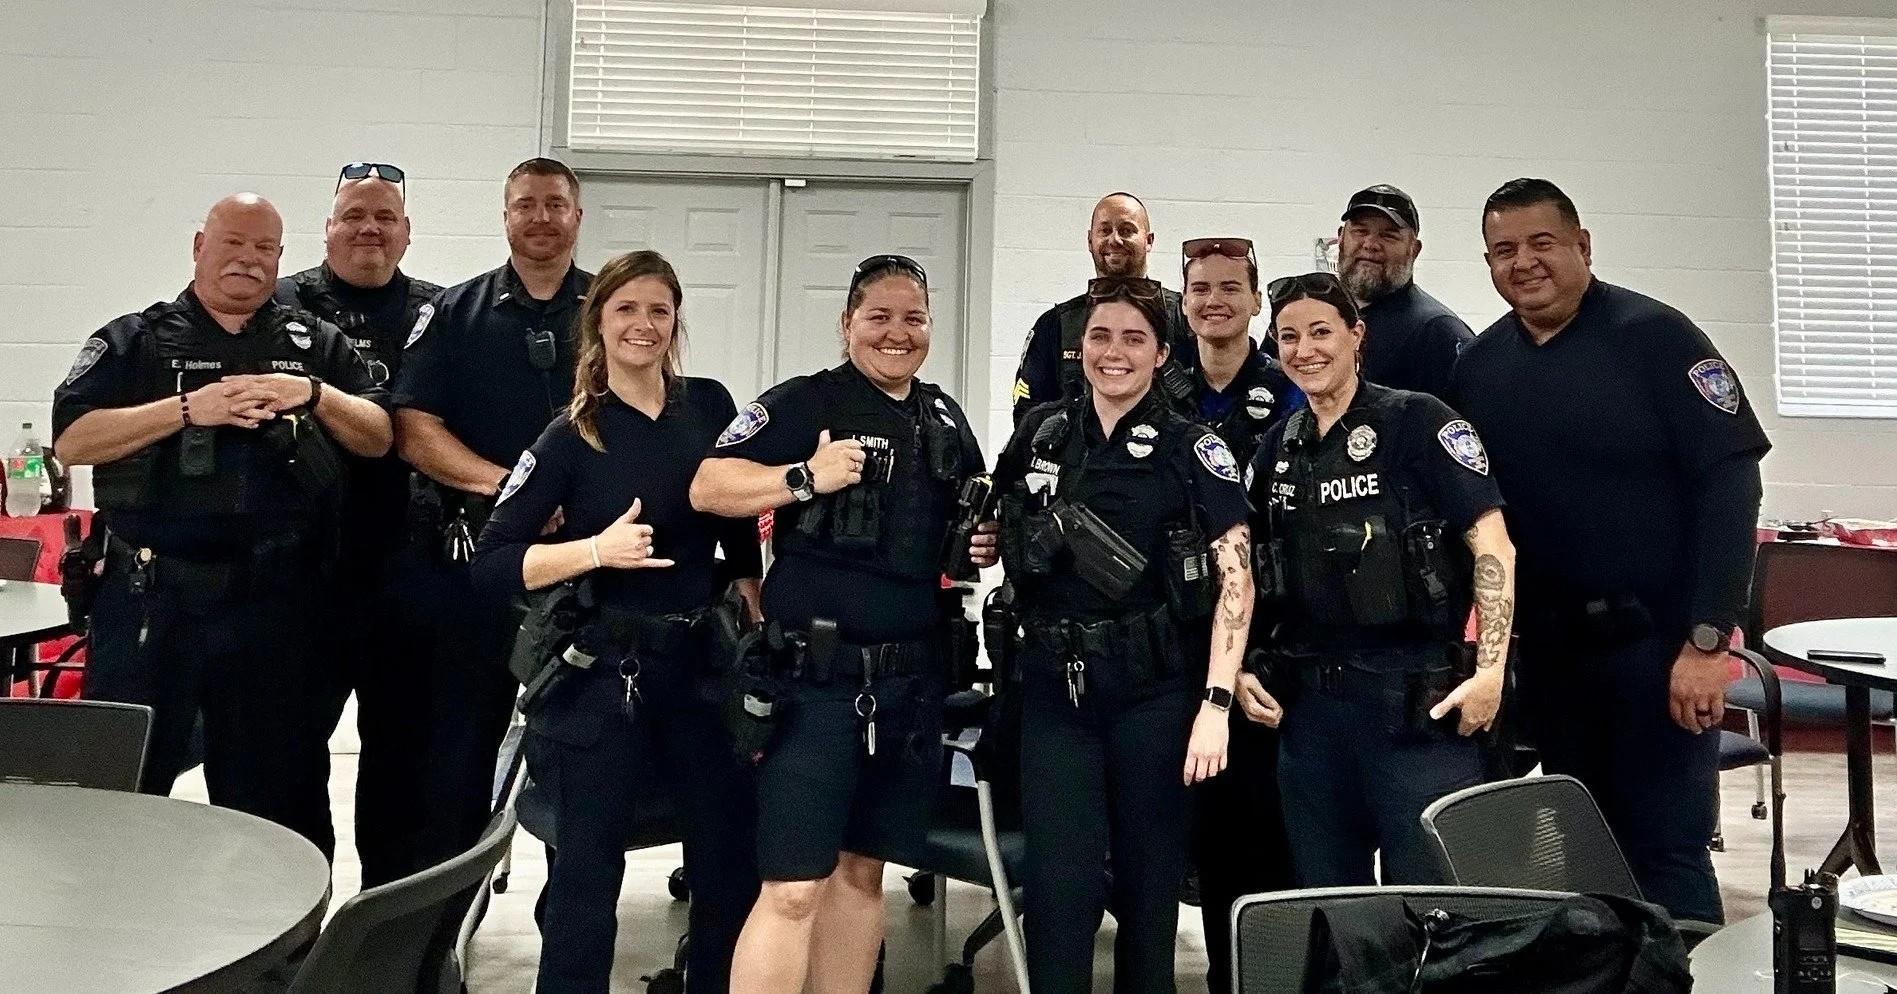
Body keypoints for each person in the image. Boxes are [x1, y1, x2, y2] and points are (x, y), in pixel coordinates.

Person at [1450, 178, 1769, 925]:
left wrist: (1706, 641)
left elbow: (1731, 489)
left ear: (1582, 246)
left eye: (1541, 243)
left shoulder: (1657, 339)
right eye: (1503, 250)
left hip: (1656, 650)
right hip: (1553, 660)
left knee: (1667, 853)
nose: (1523, 262)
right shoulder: (1479, 368)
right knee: (1580, 852)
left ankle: (1688, 974)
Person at [51, 194, 392, 853]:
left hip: (275, 604)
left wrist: (313, 393)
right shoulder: (136, 341)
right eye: (233, 243)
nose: (248, 259)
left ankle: (282, 925)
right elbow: (73, 440)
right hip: (151, 602)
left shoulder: (313, 344)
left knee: (276, 807)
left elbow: (379, 435)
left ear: (281, 259)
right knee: (119, 790)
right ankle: (109, 910)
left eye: (264, 248)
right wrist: (187, 409)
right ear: (199, 247)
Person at [691, 254, 986, 994]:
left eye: (913, 318)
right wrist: (803, 478)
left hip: (907, 690)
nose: (896, 333)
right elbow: (709, 486)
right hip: (814, 688)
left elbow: (971, 515)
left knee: (862, 875)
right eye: (878, 316)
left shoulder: (944, 418)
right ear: (847, 323)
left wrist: (983, 541)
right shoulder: (805, 402)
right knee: (793, 888)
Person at [471, 251, 762, 994]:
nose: (644, 324)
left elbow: (733, 514)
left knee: (727, 864)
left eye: (659, 310)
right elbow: (493, 562)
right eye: (626, 308)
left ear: (676, 322)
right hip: (603, 679)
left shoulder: (710, 407)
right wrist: (594, 551)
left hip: (699, 672)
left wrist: (751, 590)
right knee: (586, 876)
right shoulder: (572, 436)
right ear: (598, 323)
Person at [995, 275, 1253, 994]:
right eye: (1100, 337)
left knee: (1148, 894)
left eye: (1134, 338)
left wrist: (1216, 703)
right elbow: (1000, 520)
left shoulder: (1192, 447)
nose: (1114, 352)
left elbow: (1237, 578)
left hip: (1154, 695)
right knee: (1058, 894)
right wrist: (989, 542)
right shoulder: (1042, 432)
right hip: (1055, 696)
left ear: (1161, 353)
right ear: (1079, 348)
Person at [1244, 271, 1514, 888]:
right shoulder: (1279, 446)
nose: (1304, 350)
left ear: (1356, 335)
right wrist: (1239, 668)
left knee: (1429, 904)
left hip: (1417, 710)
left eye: (1320, 332)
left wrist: (1491, 670)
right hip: (1313, 714)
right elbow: (1243, 563)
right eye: (1288, 336)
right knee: (1328, 900)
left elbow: (1493, 544)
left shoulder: (1418, 421)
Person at [391, 156, 592, 873]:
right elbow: (413, 430)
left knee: (583, 758)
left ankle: (572, 918)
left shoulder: (615, 310)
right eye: (525, 204)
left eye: (554, 204)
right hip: (477, 567)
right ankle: (445, 918)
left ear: (577, 216)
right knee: (458, 753)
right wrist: (514, 491)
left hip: (588, 570)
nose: (541, 218)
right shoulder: (453, 314)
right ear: (505, 216)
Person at [274, 161, 444, 887]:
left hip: (409, 569)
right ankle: (293, 921)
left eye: (384, 218)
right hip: (298, 574)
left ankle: (389, 926)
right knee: (285, 761)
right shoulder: (277, 307)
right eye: (354, 215)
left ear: (406, 233)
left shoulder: (444, 314)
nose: (368, 229)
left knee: (404, 763)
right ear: (327, 228)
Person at [1174, 236, 1296, 993]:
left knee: (1263, 840)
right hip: (1178, 646)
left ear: (1255, 301)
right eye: (1200, 289)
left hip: (1265, 656)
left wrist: (1252, 657)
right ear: (1182, 303)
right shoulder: (1160, 389)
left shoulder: (1291, 389)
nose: (1214, 301)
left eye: (1230, 288)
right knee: (1202, 840)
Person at [1010, 192, 1196, 424]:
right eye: (1105, 230)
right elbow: (1028, 416)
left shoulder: (1185, 317)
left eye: (1126, 230)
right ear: (1090, 241)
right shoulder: (1057, 324)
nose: (1115, 240)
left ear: (1149, 240)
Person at [1335, 185, 1474, 401]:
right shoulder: (1316, 319)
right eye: (1360, 231)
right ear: (1341, 238)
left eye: (1388, 236)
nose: (1370, 244)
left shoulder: (1437, 333)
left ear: (1414, 250)